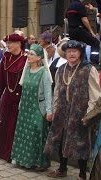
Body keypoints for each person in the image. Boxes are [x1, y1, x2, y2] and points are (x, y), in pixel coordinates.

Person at [44, 40, 100, 180]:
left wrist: (89, 114)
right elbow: (56, 91)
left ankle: (82, 175)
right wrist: (55, 108)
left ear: (80, 53)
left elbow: (95, 94)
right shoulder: (61, 69)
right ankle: (62, 169)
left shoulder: (88, 69)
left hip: (80, 113)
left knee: (82, 143)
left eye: (75, 51)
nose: (71, 54)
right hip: (62, 112)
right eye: (69, 51)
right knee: (62, 140)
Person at [11, 44, 53, 171]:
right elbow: (24, 90)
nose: (28, 56)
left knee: (36, 133)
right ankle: (24, 160)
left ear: (40, 57)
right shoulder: (27, 70)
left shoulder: (44, 72)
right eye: (28, 54)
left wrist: (49, 110)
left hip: (38, 108)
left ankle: (40, 163)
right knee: (24, 133)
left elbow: (47, 93)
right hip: (25, 107)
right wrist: (20, 104)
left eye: (32, 54)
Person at [0, 33, 27, 162]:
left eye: (11, 43)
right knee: (2, 124)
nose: (8, 45)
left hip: (20, 97)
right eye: (7, 43)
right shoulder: (6, 58)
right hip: (7, 96)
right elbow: (0, 80)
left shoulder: (25, 58)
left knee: (14, 126)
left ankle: (11, 154)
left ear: (19, 44)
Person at [66, 0, 100, 64]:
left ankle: (80, 62)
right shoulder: (80, 5)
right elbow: (84, 20)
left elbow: (66, 19)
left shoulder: (69, 6)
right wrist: (91, 31)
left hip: (71, 31)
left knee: (79, 46)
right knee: (95, 42)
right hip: (79, 29)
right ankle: (94, 61)